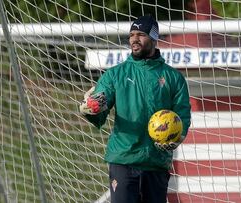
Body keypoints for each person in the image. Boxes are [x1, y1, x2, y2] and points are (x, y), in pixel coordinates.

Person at [80, 15, 191, 203]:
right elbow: (101, 103)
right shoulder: (115, 74)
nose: (134, 39)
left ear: (154, 38)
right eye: (131, 35)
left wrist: (177, 136)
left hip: (156, 161)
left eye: (141, 34)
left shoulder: (173, 78)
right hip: (124, 159)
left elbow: (183, 116)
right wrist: (92, 109)